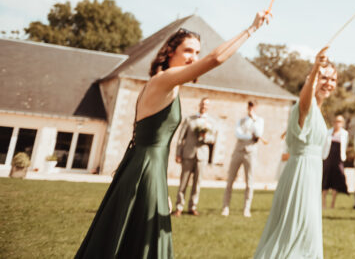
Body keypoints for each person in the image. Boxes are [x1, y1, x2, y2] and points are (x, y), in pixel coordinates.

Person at [76, 13, 268, 258]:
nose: (194, 58)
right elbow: (216, 58)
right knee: (142, 238)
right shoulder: (164, 79)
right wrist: (252, 28)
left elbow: (156, 146)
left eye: (197, 53)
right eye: (188, 51)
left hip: (147, 168)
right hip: (144, 171)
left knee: (136, 237)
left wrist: (162, 187)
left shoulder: (170, 85)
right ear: (169, 52)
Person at [253, 47, 337, 258]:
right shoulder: (304, 107)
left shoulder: (317, 111)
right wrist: (317, 67)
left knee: (306, 233)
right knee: (296, 232)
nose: (329, 83)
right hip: (301, 173)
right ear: (313, 79)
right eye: (324, 78)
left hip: (312, 173)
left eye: (333, 79)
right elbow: (305, 98)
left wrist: (318, 72)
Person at [174, 97, 216, 216]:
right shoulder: (189, 120)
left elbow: (213, 139)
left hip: (202, 156)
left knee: (197, 183)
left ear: (208, 107)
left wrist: (205, 137)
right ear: (200, 104)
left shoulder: (211, 122)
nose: (204, 106)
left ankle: (192, 206)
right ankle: (179, 207)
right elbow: (181, 138)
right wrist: (178, 153)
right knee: (183, 182)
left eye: (207, 105)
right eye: (203, 104)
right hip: (188, 154)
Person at [221, 100, 264, 217]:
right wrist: (251, 136)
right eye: (249, 106)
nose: (250, 108)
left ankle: (246, 208)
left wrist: (254, 120)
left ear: (256, 107)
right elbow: (238, 134)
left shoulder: (259, 121)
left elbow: (259, 133)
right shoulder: (241, 121)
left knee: (249, 182)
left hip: (250, 153)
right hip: (238, 151)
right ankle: (225, 207)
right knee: (230, 180)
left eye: (253, 106)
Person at [322, 113, 349, 208]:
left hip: (338, 159)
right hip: (328, 158)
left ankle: (332, 203)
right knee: (325, 180)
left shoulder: (344, 133)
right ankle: (323, 203)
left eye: (340, 121)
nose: (337, 123)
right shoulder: (328, 132)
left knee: (336, 180)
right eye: (336, 121)